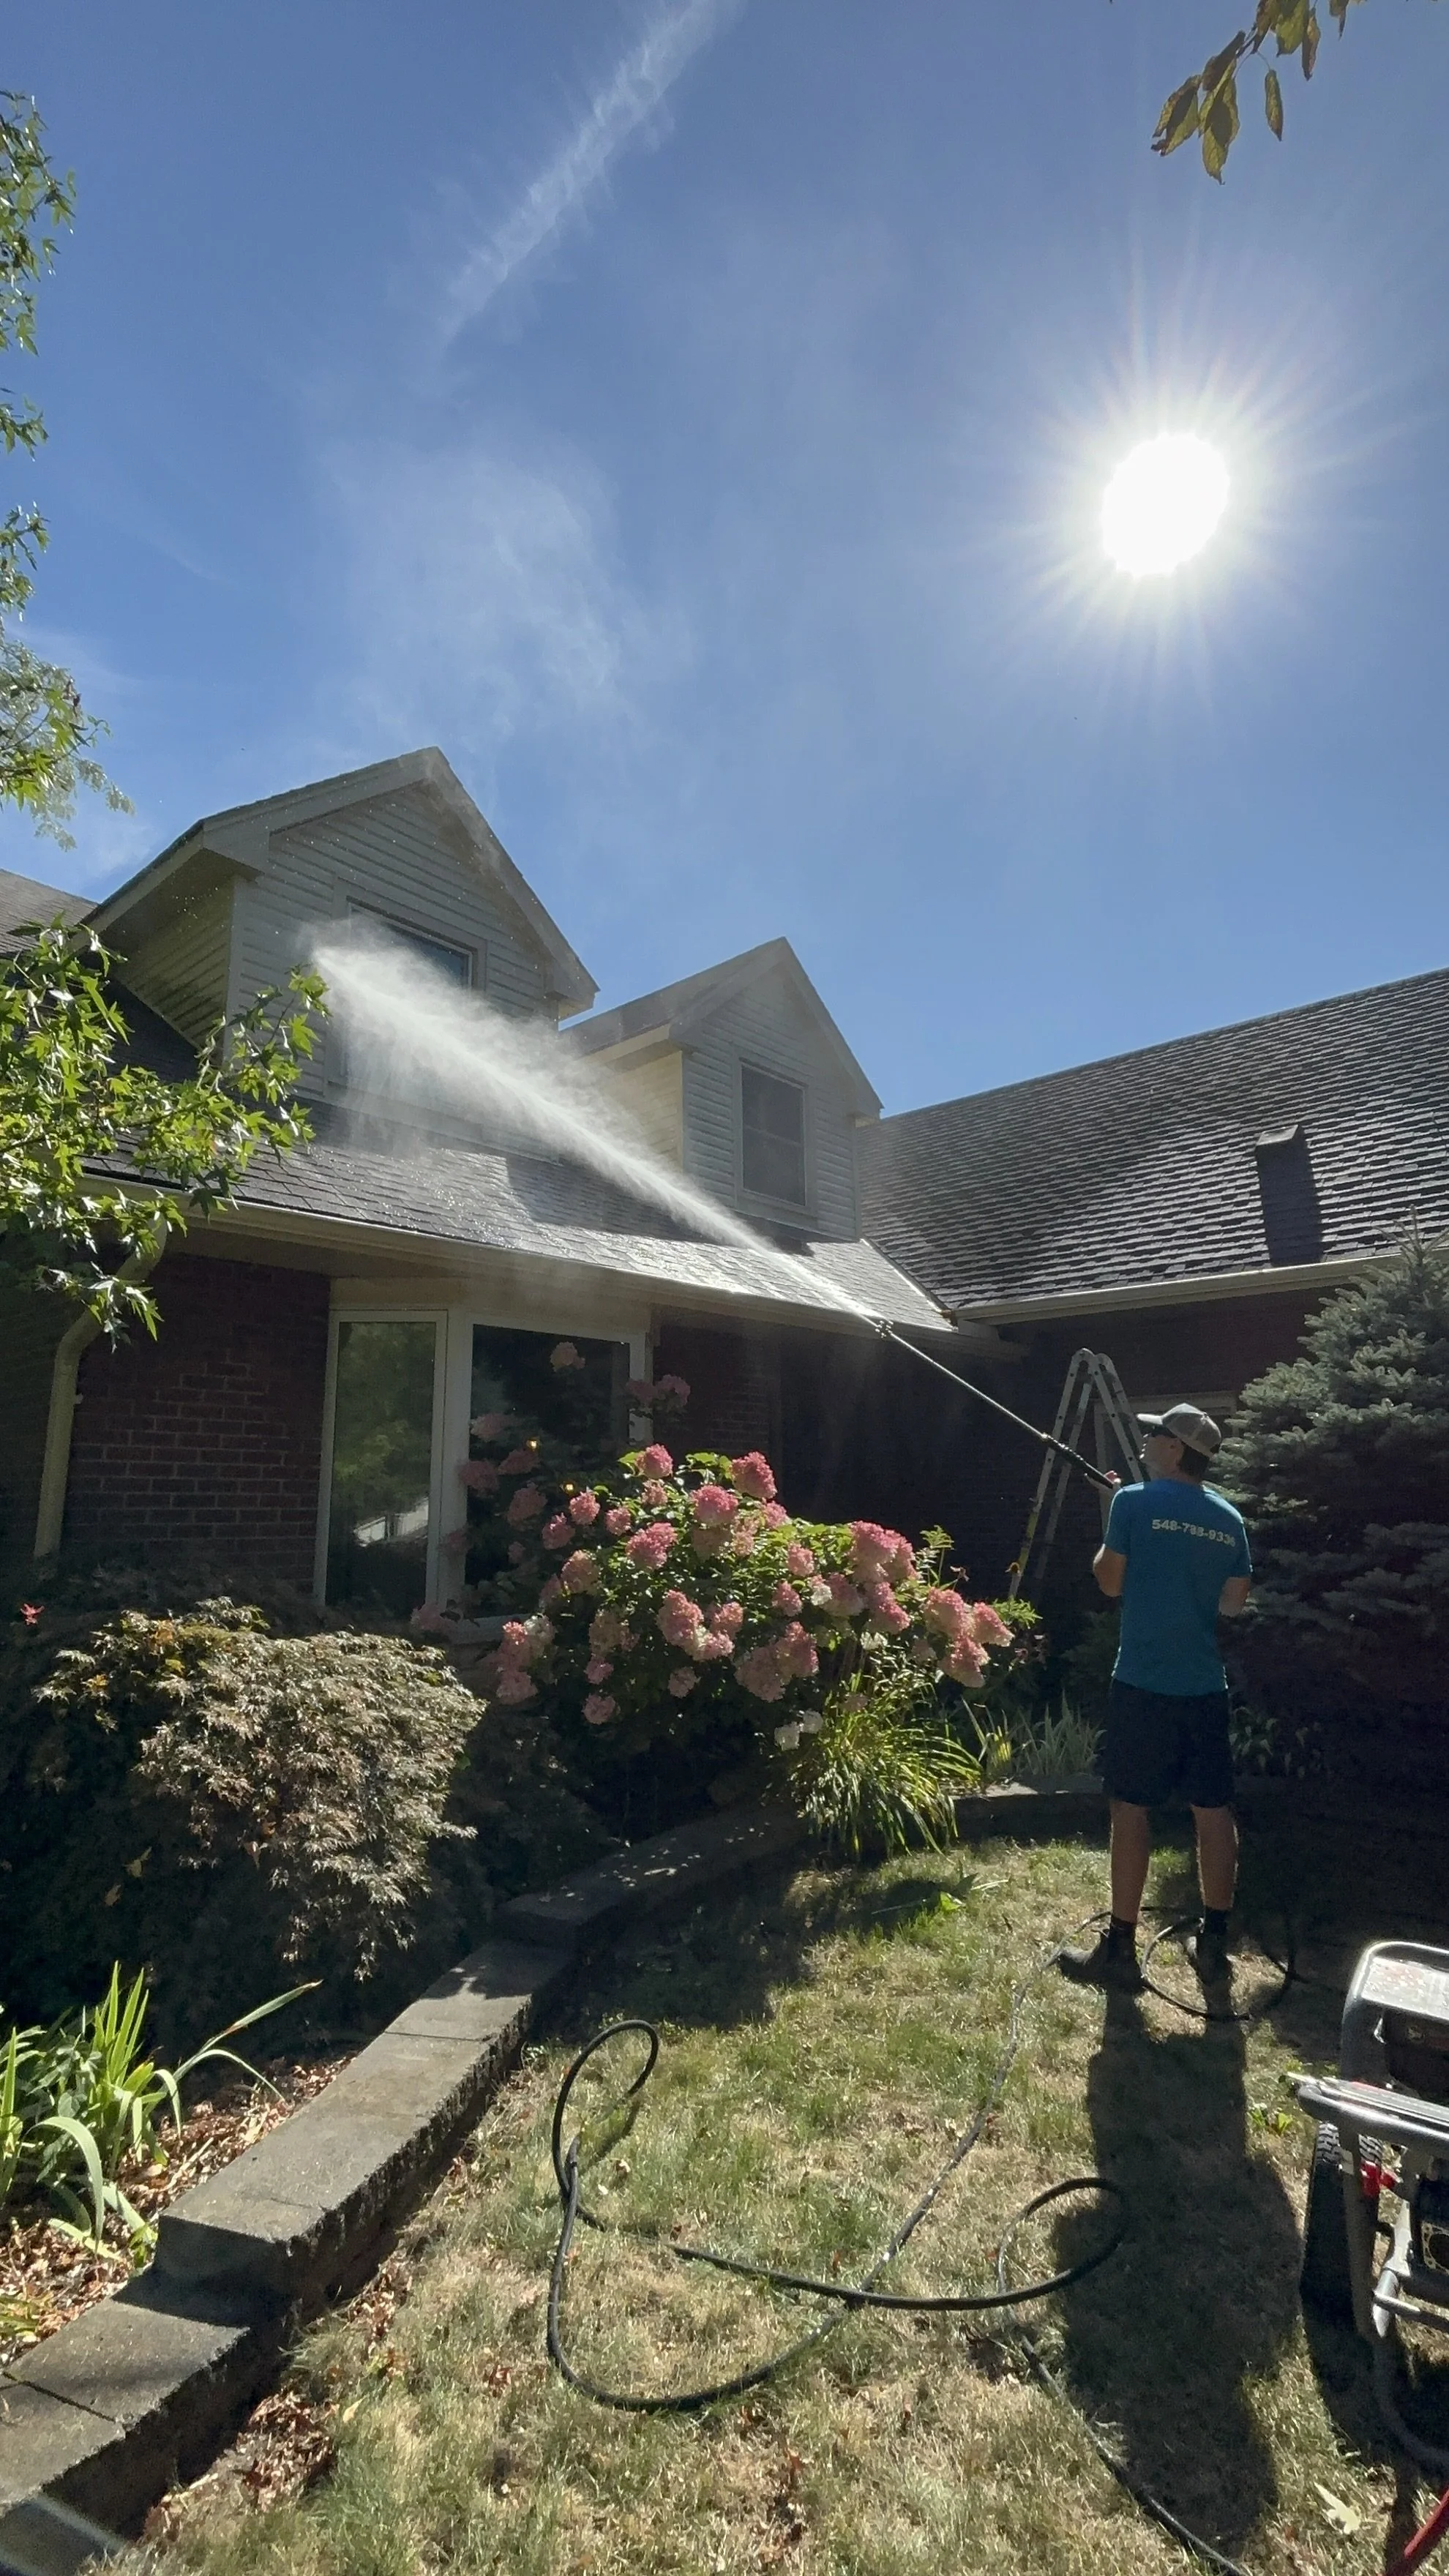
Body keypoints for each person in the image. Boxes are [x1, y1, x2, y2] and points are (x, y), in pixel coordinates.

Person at [1057, 1401, 1252, 1995]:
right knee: (1213, 1810)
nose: (1146, 1442)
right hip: (1204, 1688)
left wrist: (1118, 1516)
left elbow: (1109, 1580)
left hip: (1142, 1685)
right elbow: (1233, 1604)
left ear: (1175, 1450)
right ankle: (1215, 1943)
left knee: (1131, 1808)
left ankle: (1120, 1948)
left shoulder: (1131, 1503)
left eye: (1155, 1436)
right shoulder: (1229, 1520)